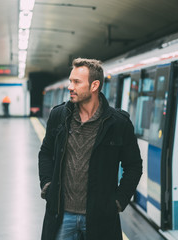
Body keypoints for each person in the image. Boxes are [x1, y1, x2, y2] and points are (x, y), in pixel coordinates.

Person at [38, 58, 142, 240]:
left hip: (100, 218)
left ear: (94, 86)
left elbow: (133, 165)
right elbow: (45, 153)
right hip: (61, 216)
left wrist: (119, 200)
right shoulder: (59, 116)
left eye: (76, 82)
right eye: (70, 81)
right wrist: (47, 185)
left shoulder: (118, 124)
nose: (70, 87)